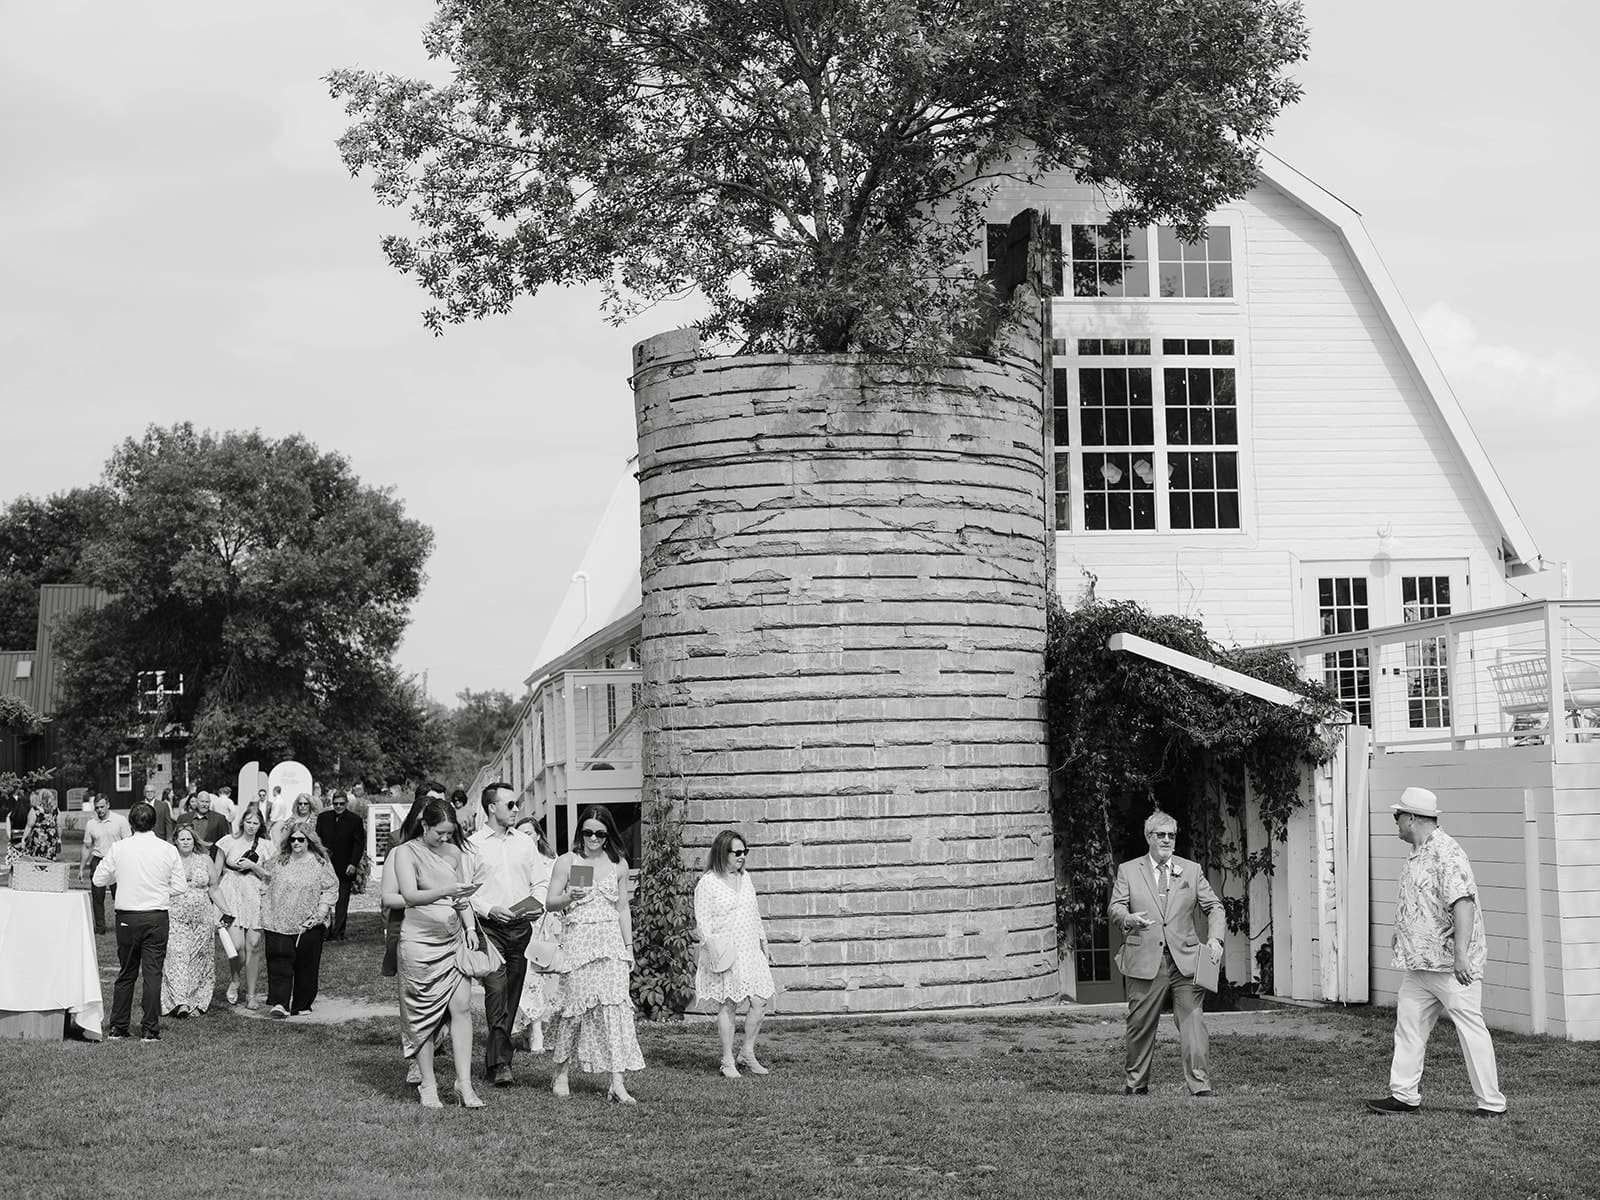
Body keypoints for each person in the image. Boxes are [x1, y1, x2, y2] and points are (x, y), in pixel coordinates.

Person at [1366, 787, 1508, 1118]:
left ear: (1412, 818)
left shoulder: (1447, 853)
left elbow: (1463, 904)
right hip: (1420, 966)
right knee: (1409, 1025)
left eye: (1397, 816)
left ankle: (1491, 1102)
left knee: (1470, 1029)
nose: (1396, 822)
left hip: (1449, 966)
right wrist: (1401, 936)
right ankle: (1403, 1095)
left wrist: (1461, 955)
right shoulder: (1418, 853)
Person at [1107, 810, 1226, 1097]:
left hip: (1186, 960)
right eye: (1161, 835)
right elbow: (1115, 908)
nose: (1167, 840)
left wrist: (1216, 939)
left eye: (1171, 835)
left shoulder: (1191, 870)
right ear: (1149, 837)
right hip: (1146, 959)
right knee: (1140, 1024)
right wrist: (1129, 919)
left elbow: (1215, 907)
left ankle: (1200, 1086)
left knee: (1193, 1021)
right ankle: (1136, 1084)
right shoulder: (1128, 870)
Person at [388, 797, 486, 1108]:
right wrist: (446, 891)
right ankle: (428, 1085)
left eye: (449, 832)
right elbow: (409, 895)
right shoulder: (404, 853)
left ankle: (464, 1085)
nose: (445, 838)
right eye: (439, 833)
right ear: (424, 825)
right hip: (418, 942)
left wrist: (470, 928)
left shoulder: (454, 853)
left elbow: (461, 899)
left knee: (462, 1009)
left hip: (453, 938)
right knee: (423, 1015)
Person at [544, 805, 645, 1104]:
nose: (593, 838)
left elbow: (622, 908)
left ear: (608, 835)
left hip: (611, 944)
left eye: (600, 834)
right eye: (587, 832)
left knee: (615, 1011)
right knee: (574, 1010)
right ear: (580, 832)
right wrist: (567, 896)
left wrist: (629, 948)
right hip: (579, 942)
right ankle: (561, 1072)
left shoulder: (619, 864)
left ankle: (617, 1081)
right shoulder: (568, 861)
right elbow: (550, 902)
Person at [468, 782, 547, 1087]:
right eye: (510, 804)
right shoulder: (474, 845)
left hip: (520, 928)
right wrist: (489, 909)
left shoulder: (525, 844)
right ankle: (502, 1063)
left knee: (511, 996)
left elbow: (539, 882)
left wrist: (536, 904)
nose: (516, 810)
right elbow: (466, 891)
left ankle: (495, 1060)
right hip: (490, 929)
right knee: (496, 990)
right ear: (491, 808)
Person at [93, 801, 189, 1041]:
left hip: (128, 916)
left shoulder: (119, 848)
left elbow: (98, 879)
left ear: (131, 823)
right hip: (156, 915)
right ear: (154, 823)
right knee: (152, 973)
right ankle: (150, 1029)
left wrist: (123, 879)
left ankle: (119, 1026)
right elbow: (179, 886)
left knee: (126, 973)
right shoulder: (167, 849)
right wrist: (157, 891)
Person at [695, 829, 777, 1078]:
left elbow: (754, 913)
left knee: (760, 1001)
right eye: (737, 852)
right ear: (723, 853)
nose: (742, 857)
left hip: (750, 950)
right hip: (726, 952)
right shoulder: (708, 883)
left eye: (745, 852)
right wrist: (710, 949)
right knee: (729, 1004)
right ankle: (728, 1059)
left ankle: (747, 1052)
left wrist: (764, 944)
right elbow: (702, 921)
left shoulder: (746, 878)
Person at [259, 826, 338, 1018]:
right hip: (279, 920)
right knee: (279, 961)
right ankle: (280, 1003)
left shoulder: (320, 863)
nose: (296, 843)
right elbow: (266, 880)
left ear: (309, 841)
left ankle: (302, 1003)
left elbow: (331, 887)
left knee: (307, 965)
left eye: (301, 839)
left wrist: (321, 912)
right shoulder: (280, 861)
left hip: (309, 922)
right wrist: (265, 902)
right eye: (293, 839)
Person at [161, 827, 223, 1017]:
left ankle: (196, 1001)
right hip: (175, 916)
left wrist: (225, 910)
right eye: (182, 839)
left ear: (194, 840)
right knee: (176, 956)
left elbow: (214, 887)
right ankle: (179, 1002)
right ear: (176, 841)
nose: (186, 842)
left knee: (198, 959)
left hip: (202, 917)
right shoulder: (169, 860)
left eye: (189, 838)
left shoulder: (204, 860)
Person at [511, 816, 559, 1053]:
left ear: (538, 835)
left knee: (548, 980)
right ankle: (534, 1031)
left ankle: (539, 1030)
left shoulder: (553, 862)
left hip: (550, 926)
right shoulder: (515, 862)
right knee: (528, 980)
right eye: (520, 834)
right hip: (525, 924)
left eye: (528, 833)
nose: (525, 838)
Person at [216, 804, 272, 1008]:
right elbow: (216, 872)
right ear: (242, 822)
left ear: (260, 825)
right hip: (231, 893)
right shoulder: (227, 842)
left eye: (255, 823)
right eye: (248, 821)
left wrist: (253, 866)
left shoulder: (266, 845)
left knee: (254, 946)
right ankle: (235, 979)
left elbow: (271, 874)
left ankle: (251, 994)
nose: (251, 826)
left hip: (255, 894)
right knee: (237, 946)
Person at [315, 789, 365, 941]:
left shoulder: (355, 820)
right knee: (324, 899)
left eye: (341, 804)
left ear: (346, 804)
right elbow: (317, 839)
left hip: (345, 866)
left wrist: (353, 863)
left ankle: (338, 932)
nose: (338, 807)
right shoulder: (323, 818)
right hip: (326, 865)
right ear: (332, 803)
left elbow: (359, 844)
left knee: (342, 901)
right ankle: (324, 931)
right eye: (335, 804)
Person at [80, 795, 132, 935]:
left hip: (117, 861)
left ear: (108, 805)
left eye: (102, 807)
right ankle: (100, 928)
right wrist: (81, 868)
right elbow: (86, 847)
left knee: (120, 896)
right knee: (97, 897)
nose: (99, 810)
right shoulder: (91, 824)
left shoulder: (120, 820)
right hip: (98, 860)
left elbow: (128, 843)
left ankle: (123, 925)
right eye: (97, 808)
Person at [19, 790, 61, 860]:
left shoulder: (35, 810)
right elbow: (59, 826)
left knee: (36, 859)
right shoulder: (56, 810)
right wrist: (59, 838)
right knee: (49, 859)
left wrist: (23, 838)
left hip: (38, 837)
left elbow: (29, 826)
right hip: (51, 837)